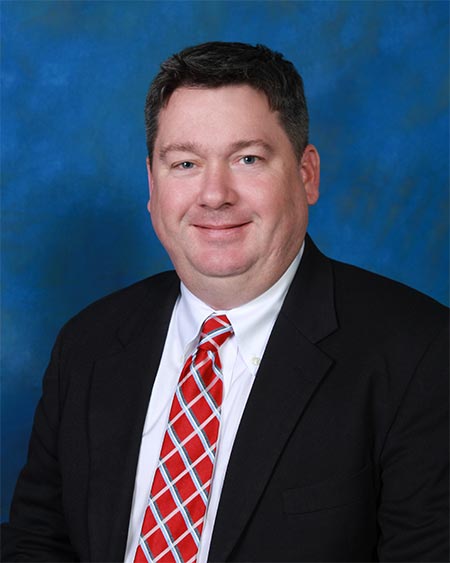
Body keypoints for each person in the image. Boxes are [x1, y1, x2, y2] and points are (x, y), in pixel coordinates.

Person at [2, 41, 448, 563]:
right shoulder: (88, 344)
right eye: (185, 163)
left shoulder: (420, 354)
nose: (215, 194)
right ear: (152, 184)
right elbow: (37, 540)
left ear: (306, 174)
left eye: (248, 159)